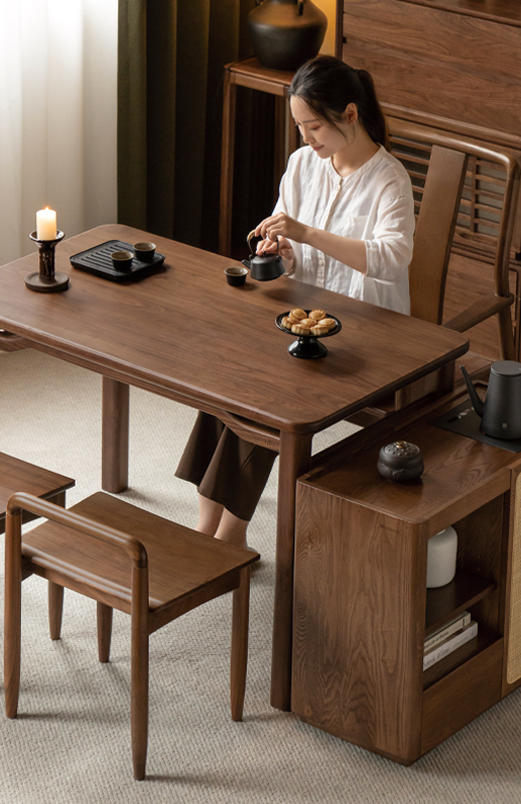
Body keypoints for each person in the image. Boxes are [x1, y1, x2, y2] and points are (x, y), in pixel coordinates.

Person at [175, 55, 415, 548]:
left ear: (350, 114)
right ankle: (207, 519)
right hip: (303, 318)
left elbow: (391, 260)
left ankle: (230, 534)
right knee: (230, 371)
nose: (306, 138)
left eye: (314, 126)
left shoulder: (389, 179)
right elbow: (295, 255)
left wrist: (305, 233)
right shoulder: (303, 165)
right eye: (300, 126)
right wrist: (282, 251)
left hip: (365, 333)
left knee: (270, 387)